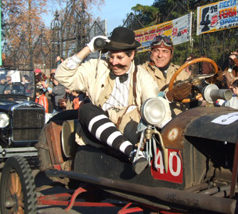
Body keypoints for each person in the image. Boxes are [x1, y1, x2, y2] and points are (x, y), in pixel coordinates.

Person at [55, 27, 171, 174]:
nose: (114, 62)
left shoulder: (143, 77)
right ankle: (132, 153)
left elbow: (154, 105)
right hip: (99, 136)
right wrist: (89, 49)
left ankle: (132, 151)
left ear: (132, 55)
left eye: (120, 58)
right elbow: (62, 76)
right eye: (111, 56)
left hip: (130, 135)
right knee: (86, 110)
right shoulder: (96, 68)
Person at [140, 35, 191, 115]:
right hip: (153, 121)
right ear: (151, 53)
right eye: (156, 51)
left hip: (179, 121)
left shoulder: (180, 72)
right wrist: (168, 96)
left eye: (165, 51)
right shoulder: (141, 71)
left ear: (171, 54)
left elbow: (194, 89)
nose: (160, 55)